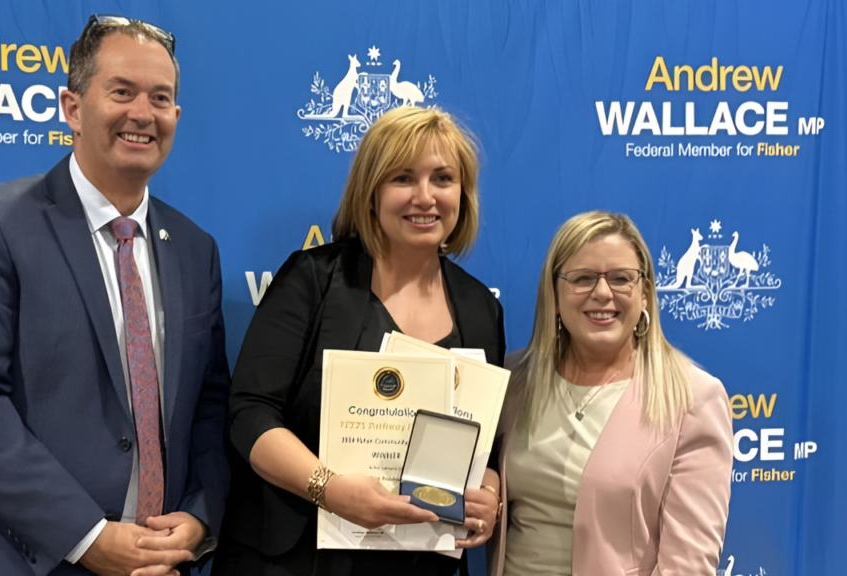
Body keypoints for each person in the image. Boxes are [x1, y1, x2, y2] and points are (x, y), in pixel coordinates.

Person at [0, 15, 230, 576]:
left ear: (176, 116)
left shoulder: (195, 248)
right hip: (11, 558)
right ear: (72, 107)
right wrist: (87, 536)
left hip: (156, 563)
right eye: (121, 92)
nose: (142, 114)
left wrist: (200, 515)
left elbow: (207, 404)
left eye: (160, 97)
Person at [213, 106, 505, 576]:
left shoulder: (480, 309)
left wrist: (488, 493)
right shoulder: (312, 280)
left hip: (420, 562)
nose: (425, 197)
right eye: (403, 178)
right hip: (294, 560)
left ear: (463, 195)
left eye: (443, 179)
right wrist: (328, 488)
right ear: (371, 192)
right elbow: (250, 414)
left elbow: (484, 447)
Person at [486, 211, 734, 576]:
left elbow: (687, 566)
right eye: (582, 278)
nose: (602, 293)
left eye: (621, 279)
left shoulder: (693, 398)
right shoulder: (513, 380)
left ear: (645, 294)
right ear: (554, 293)